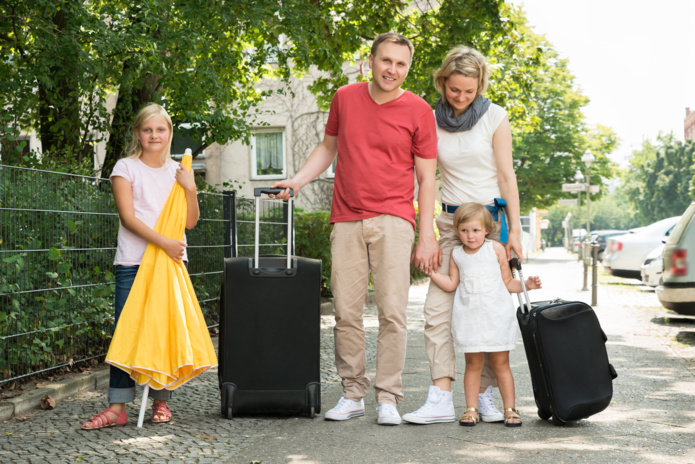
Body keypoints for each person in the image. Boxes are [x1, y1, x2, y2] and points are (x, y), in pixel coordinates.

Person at [271, 32, 439, 426]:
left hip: (395, 220)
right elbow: (328, 148)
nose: (392, 70)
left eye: (401, 64)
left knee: (393, 314)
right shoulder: (345, 98)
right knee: (346, 312)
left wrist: (426, 234)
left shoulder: (419, 111)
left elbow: (427, 179)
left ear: (407, 68)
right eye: (386, 61)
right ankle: (352, 393)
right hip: (346, 218)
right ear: (371, 61)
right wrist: (297, 181)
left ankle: (388, 398)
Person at [403, 46, 523, 425]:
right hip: (451, 226)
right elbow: (423, 176)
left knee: (490, 312)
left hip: (489, 228)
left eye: (469, 91)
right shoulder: (428, 118)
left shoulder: (495, 117)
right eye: (454, 89)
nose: (460, 97)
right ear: (442, 82)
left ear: (479, 86)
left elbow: (507, 176)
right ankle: (440, 397)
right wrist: (423, 230)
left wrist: (515, 231)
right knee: (437, 312)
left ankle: (484, 396)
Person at [81, 103, 199, 430]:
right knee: (127, 332)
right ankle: (118, 406)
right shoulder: (125, 167)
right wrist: (163, 242)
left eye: (160, 129)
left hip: (170, 265)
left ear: (170, 133)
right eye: (147, 130)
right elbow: (128, 218)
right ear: (137, 133)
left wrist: (190, 187)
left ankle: (161, 400)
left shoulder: (180, 171)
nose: (154, 135)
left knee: (162, 331)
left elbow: (190, 221)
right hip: (133, 263)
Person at [424, 203, 541, 427]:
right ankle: (471, 409)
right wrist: (433, 274)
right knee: (473, 363)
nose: (470, 236)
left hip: (496, 316)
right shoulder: (457, 254)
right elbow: (451, 284)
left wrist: (527, 284)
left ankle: (510, 409)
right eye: (464, 230)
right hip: (468, 318)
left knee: (500, 363)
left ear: (486, 229)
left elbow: (508, 282)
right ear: (457, 230)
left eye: (476, 230)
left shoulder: (495, 249)